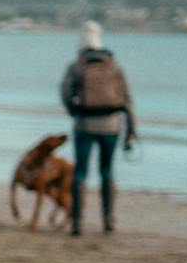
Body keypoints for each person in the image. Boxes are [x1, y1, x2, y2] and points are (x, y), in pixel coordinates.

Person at [59, 21, 137, 236]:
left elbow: (65, 94)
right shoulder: (114, 67)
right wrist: (131, 130)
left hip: (84, 125)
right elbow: (127, 99)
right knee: (107, 171)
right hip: (111, 126)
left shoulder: (76, 66)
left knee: (80, 172)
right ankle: (108, 220)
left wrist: (75, 112)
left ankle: (77, 222)